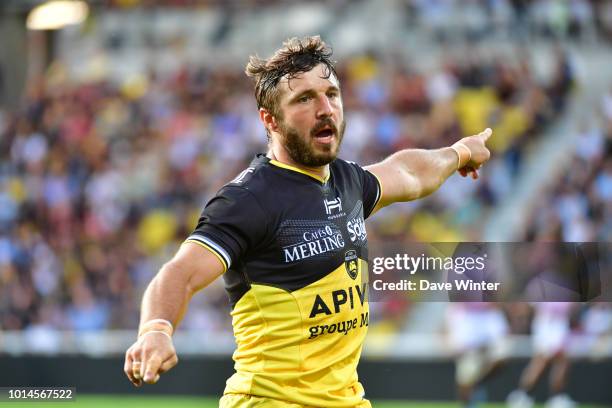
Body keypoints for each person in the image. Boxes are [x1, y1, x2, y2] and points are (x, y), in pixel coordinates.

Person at [123, 36, 492, 408]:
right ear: (270, 120)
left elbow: (409, 172)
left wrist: (459, 153)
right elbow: (179, 273)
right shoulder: (249, 199)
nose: (325, 108)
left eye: (331, 94)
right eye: (304, 99)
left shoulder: (348, 182)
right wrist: (156, 329)